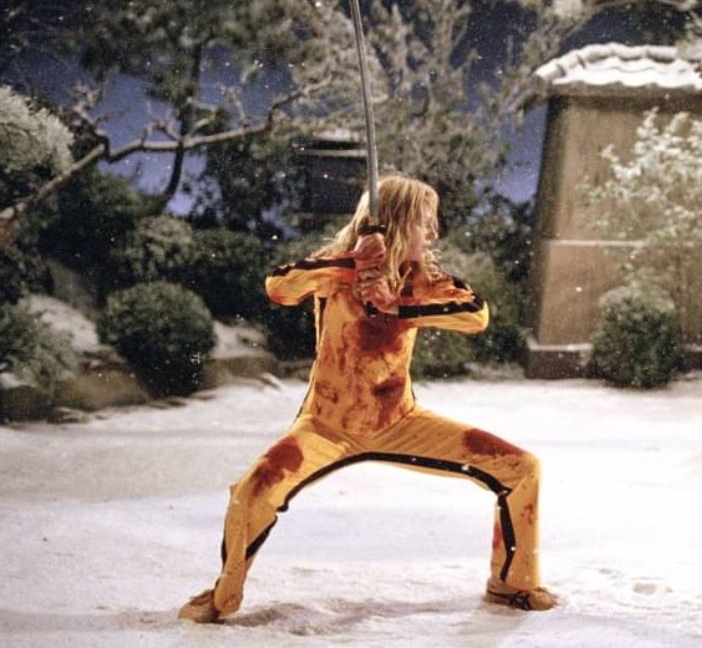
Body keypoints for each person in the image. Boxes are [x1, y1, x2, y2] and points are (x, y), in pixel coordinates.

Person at [179, 175, 557, 623]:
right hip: (326, 426)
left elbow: (477, 314)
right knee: (252, 491)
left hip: (401, 422)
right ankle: (223, 596)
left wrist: (399, 307)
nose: (434, 233)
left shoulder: (421, 279)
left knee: (521, 468)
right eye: (425, 222)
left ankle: (512, 583)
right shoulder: (337, 272)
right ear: (395, 222)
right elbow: (279, 286)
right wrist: (351, 263)